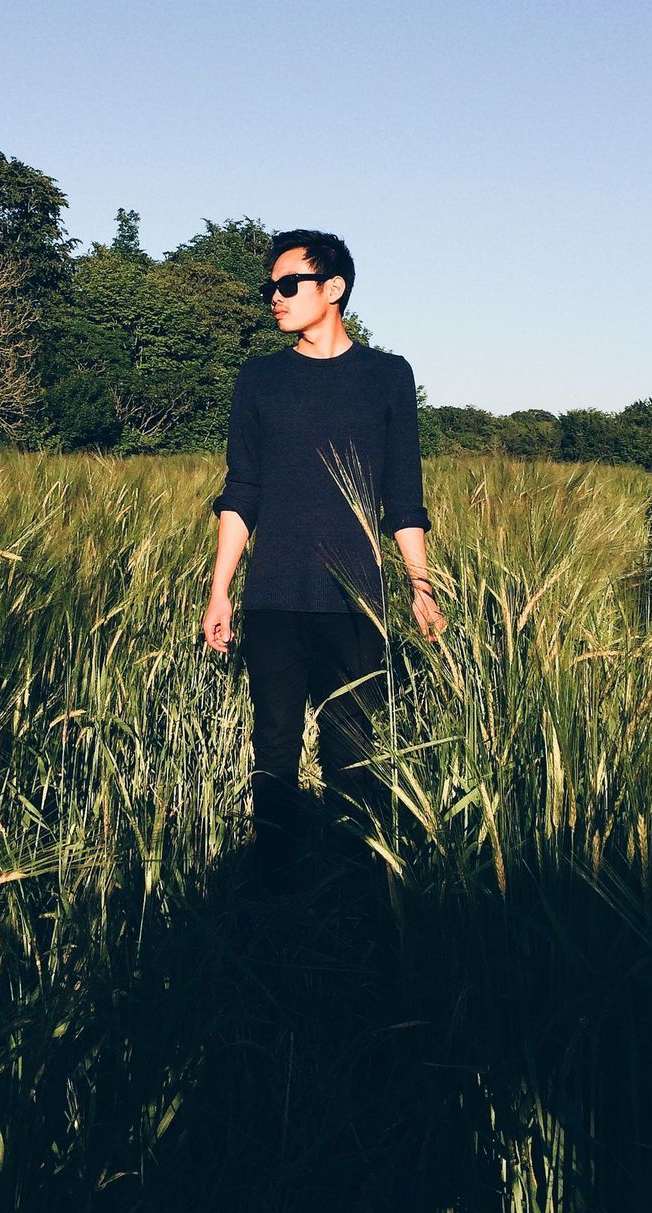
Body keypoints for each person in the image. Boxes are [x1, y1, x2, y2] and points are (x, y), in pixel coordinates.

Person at [202, 228, 445, 891]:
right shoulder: (260, 379)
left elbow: (404, 496)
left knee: (353, 755)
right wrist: (220, 590)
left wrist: (421, 587)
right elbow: (240, 490)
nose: (274, 299)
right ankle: (273, 894)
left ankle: (355, 890)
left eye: (288, 285)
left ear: (333, 289)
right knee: (273, 752)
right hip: (274, 596)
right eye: (269, 288)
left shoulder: (387, 377)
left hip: (356, 600)